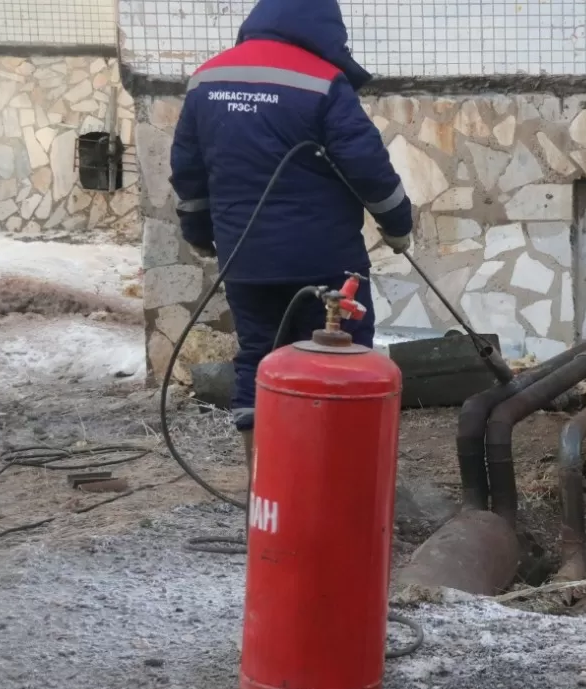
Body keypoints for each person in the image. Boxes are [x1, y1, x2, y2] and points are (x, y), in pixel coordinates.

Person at [169, 0, 413, 475]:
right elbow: (367, 165)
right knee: (343, 364)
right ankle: (340, 481)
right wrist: (398, 224)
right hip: (327, 263)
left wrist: (198, 234)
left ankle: (268, 486)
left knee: (259, 360)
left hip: (246, 261)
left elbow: (189, 173)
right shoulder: (322, 80)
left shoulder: (206, 80)